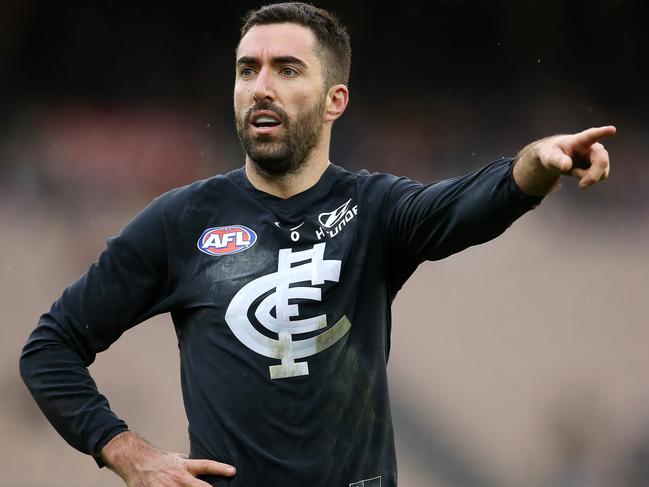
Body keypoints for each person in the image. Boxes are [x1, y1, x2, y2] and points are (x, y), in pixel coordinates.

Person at [19, 3, 615, 487]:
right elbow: (50, 348)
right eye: (247, 69)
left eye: (287, 69)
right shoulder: (180, 222)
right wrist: (128, 453)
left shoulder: (375, 209)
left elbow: (469, 204)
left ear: (336, 101)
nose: (260, 87)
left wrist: (537, 164)